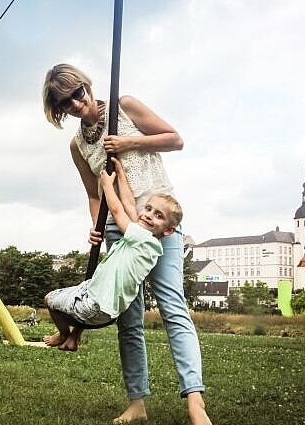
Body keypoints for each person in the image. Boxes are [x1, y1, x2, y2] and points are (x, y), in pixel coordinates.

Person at [42, 64, 212, 425]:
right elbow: (94, 193)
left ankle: (195, 402)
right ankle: (137, 402)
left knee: (172, 306)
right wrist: (97, 226)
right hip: (119, 232)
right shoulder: (77, 145)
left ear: (86, 86)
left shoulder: (125, 106)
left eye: (78, 91)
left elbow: (175, 139)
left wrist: (128, 142)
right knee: (128, 321)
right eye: (65, 101)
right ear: (59, 109)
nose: (77, 102)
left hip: (157, 221)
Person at [43, 157, 180, 351]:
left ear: (168, 231)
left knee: (50, 299)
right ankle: (73, 339)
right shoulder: (149, 244)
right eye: (148, 209)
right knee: (87, 287)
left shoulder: (140, 237)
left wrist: (107, 185)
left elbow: (117, 209)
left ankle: (63, 334)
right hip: (109, 312)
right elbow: (130, 204)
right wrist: (121, 174)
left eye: (159, 215)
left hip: (94, 306)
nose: (149, 215)